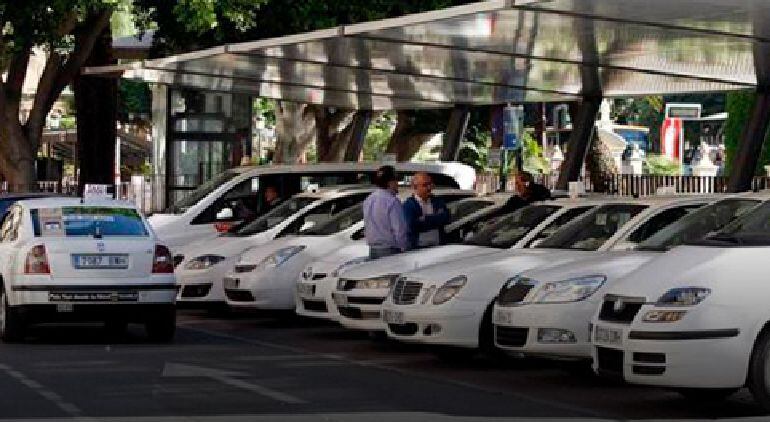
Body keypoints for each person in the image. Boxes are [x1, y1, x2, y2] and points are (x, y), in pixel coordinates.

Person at [363, 165, 408, 259]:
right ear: (390, 183)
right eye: (396, 180)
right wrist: (403, 248)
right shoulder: (392, 201)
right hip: (390, 250)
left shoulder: (369, 199)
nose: (397, 184)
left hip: (373, 249)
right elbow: (399, 230)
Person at [403, 172, 451, 249]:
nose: (429, 188)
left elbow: (446, 218)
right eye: (425, 185)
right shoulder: (409, 205)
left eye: (430, 184)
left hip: (438, 246)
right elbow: (411, 226)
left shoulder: (438, 201)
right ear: (415, 187)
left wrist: (425, 219)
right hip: (419, 248)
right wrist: (436, 218)